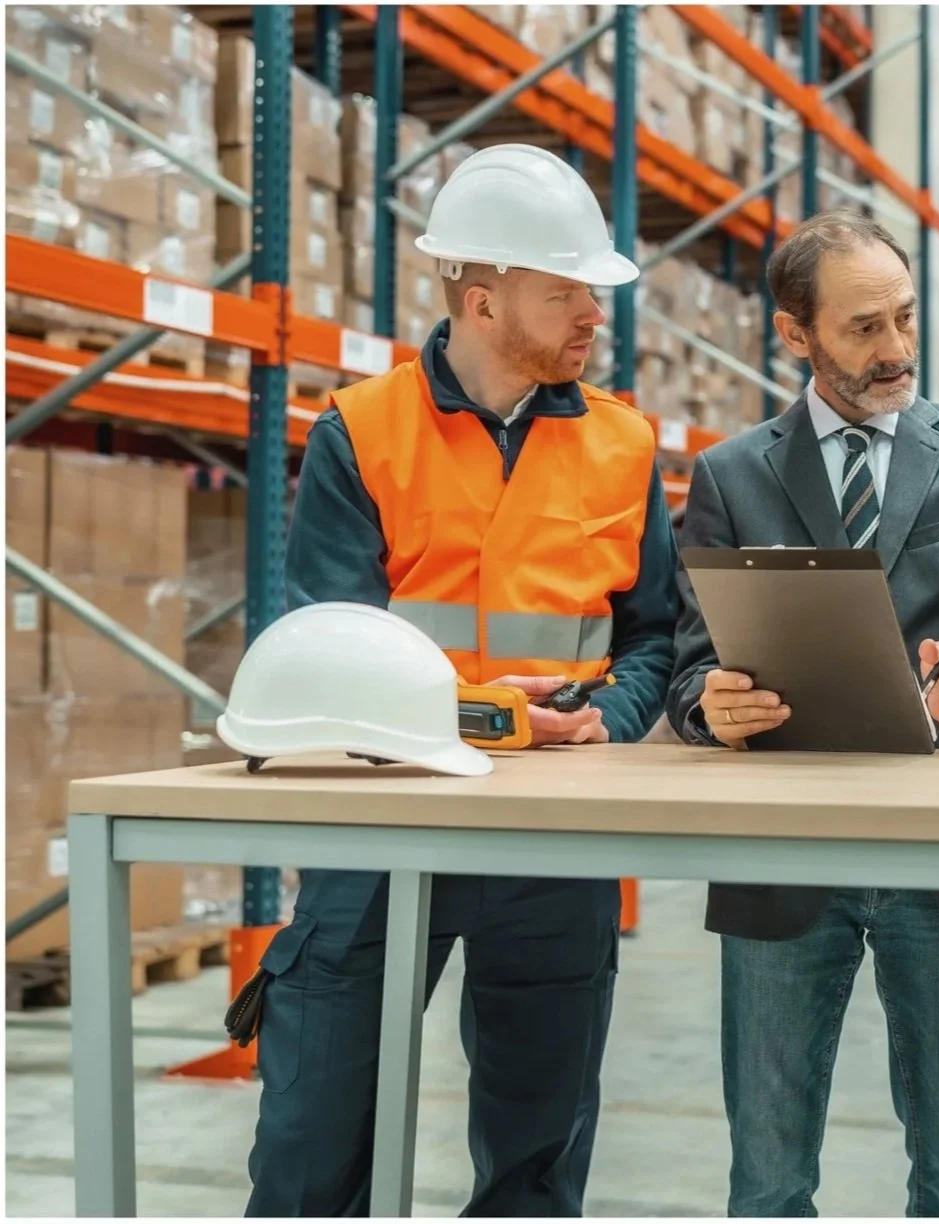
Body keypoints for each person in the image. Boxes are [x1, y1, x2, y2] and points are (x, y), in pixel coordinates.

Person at [243, 145, 679, 1216]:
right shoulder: (363, 431)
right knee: (311, 1145)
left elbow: (657, 638)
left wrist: (600, 723)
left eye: (592, 291)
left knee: (535, 1160)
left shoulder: (625, 446)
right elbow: (326, 646)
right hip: (386, 820)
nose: (591, 314)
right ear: (482, 303)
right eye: (564, 291)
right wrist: (462, 713)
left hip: (557, 836)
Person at [666, 210, 939, 1217]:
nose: (894, 349)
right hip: (781, 851)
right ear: (795, 334)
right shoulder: (730, 476)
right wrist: (708, 706)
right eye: (861, 328)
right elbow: (688, 667)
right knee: (764, 1181)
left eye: (902, 318)